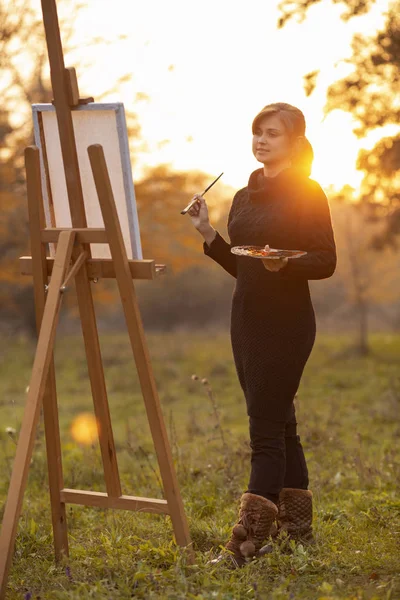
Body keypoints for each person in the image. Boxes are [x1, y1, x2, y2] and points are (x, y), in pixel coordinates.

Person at [187, 102, 337, 567]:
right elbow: (242, 266)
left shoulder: (309, 193)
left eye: (272, 133)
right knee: (281, 424)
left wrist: (286, 263)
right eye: (258, 132)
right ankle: (296, 529)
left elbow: (326, 260)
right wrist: (208, 232)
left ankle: (245, 544)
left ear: (294, 142)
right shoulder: (242, 197)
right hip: (246, 319)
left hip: (287, 323)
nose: (261, 140)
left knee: (265, 430)